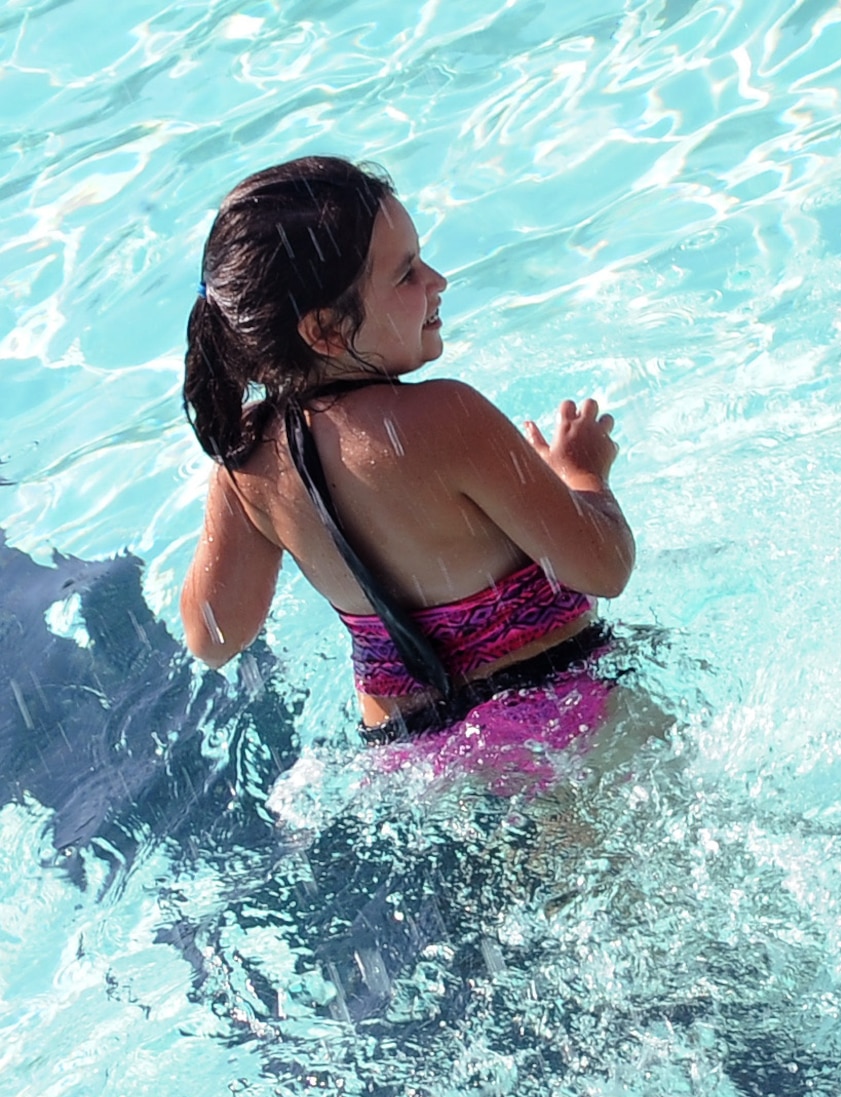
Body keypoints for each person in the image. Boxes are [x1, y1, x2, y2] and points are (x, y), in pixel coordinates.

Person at [179, 156, 635, 741]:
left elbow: (212, 638)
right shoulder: (446, 417)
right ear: (326, 331)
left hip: (410, 754)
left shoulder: (251, 461)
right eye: (406, 273)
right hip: (567, 712)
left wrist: (233, 477)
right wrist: (582, 475)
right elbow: (604, 567)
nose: (437, 281)